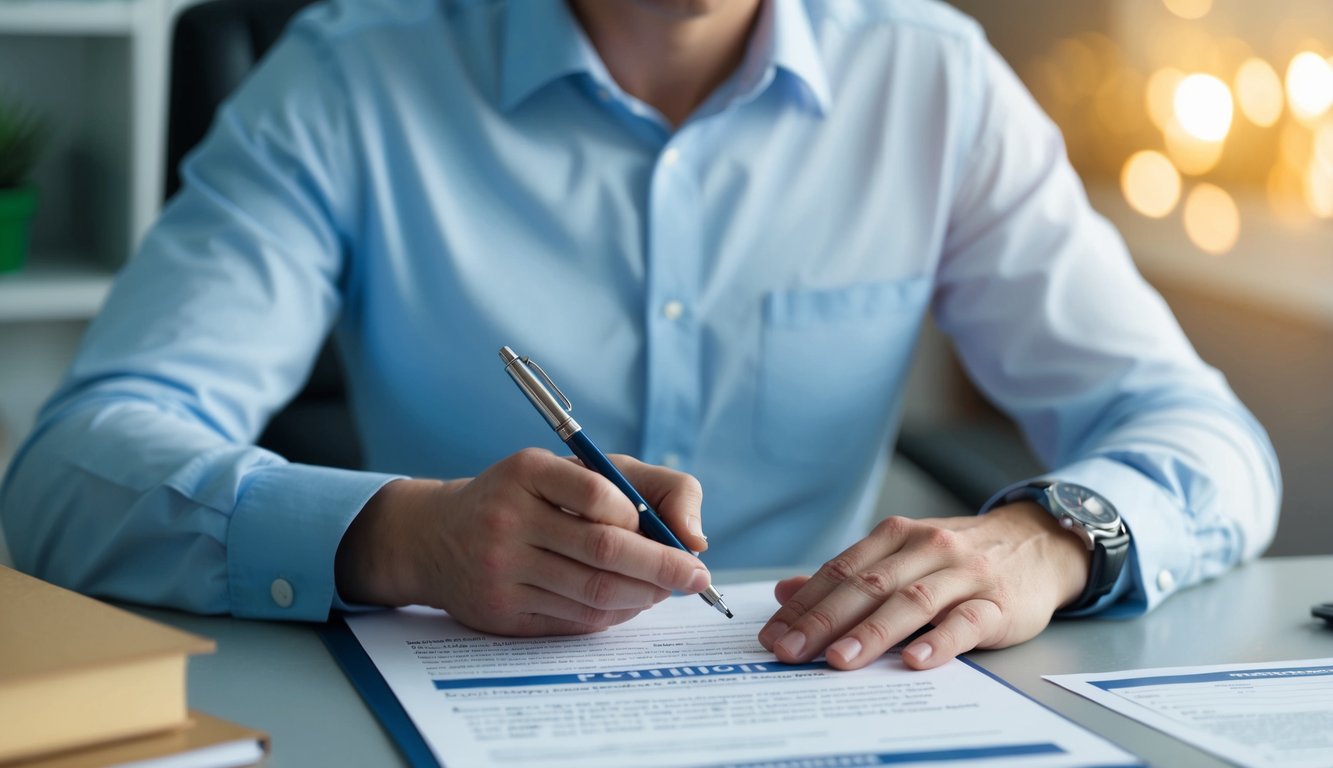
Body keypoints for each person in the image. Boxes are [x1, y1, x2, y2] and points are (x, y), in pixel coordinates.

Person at [0, 0, 1279, 672]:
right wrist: (402, 536)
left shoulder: (932, 81)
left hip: (827, 707)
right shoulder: (345, 77)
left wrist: (1046, 539)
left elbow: (1207, 441)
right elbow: (71, 469)